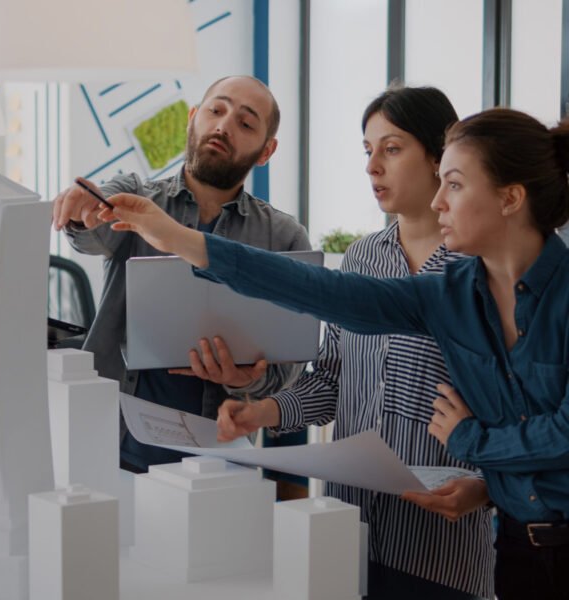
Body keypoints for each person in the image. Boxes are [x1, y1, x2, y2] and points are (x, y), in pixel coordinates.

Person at [100, 107, 569, 599]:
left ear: (510, 198)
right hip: (519, 553)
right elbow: (322, 290)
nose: (438, 201)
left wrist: (472, 442)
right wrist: (180, 239)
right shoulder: (446, 296)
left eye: (453, 184)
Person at [186, 85, 493, 598]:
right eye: (368, 151)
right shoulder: (360, 259)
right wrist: (263, 410)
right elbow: (331, 379)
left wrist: (485, 490)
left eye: (392, 149)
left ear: (442, 158)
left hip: (443, 544)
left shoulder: (483, 272)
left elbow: (516, 409)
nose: (373, 166)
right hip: (343, 531)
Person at [52, 75, 311, 473]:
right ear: (193, 118)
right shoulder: (136, 198)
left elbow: (286, 370)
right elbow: (93, 234)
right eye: (216, 110)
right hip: (113, 444)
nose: (223, 126)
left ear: (266, 150)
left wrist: (244, 380)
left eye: (245, 123)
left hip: (219, 460)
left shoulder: (284, 238)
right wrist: (84, 211)